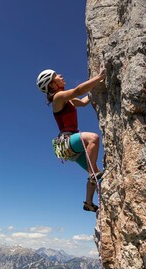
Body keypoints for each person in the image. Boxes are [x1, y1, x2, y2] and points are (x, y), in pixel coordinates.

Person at [36, 69, 106, 212]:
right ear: (53, 85)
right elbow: (78, 90)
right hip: (68, 140)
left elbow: (83, 101)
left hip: (71, 147)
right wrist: (99, 77)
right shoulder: (58, 97)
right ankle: (92, 175)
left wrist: (96, 89)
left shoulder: (66, 99)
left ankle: (88, 203)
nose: (61, 75)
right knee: (93, 138)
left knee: (99, 177)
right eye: (57, 76)